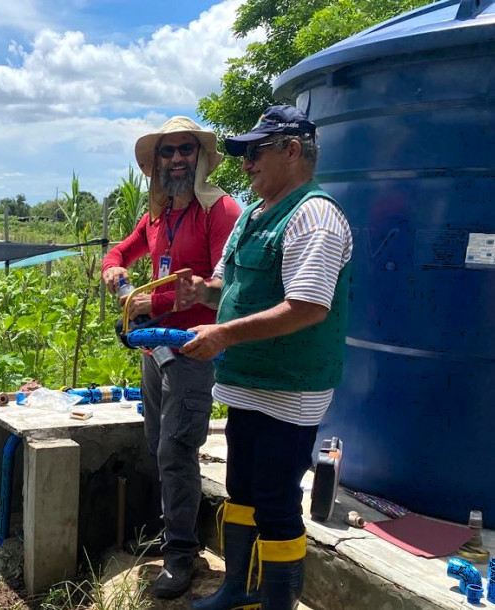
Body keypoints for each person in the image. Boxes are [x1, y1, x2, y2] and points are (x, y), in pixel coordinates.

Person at [178, 106, 352, 610]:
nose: (247, 163)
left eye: (257, 151)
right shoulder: (254, 216)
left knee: (276, 502)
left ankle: (276, 603)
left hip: (290, 389)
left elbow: (308, 306)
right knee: (241, 489)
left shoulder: (314, 216)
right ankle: (239, 588)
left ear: (292, 150)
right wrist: (203, 292)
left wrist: (224, 334)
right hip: (248, 382)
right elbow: (230, 289)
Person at [101, 116, 241, 599]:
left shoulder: (220, 212)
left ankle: (181, 554)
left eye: (186, 150)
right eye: (168, 152)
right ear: (156, 163)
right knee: (158, 441)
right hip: (153, 349)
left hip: (191, 349)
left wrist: (154, 302)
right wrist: (120, 279)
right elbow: (117, 253)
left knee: (177, 449)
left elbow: (230, 291)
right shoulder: (158, 216)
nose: (177, 159)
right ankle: (173, 536)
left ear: (200, 158)